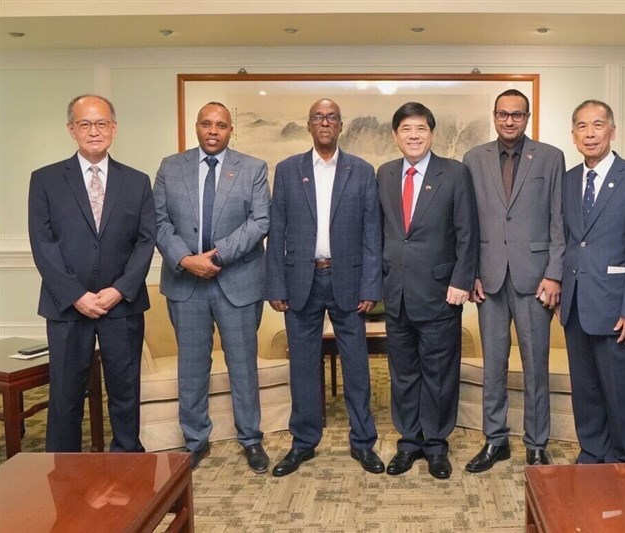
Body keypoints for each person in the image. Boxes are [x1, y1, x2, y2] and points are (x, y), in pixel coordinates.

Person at [28, 94, 155, 452]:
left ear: (113, 129)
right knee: (66, 395)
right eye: (85, 124)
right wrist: (76, 295)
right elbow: (44, 246)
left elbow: (145, 243)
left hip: (122, 306)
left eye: (101, 123)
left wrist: (119, 290)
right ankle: (64, 470)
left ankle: (127, 461)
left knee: (125, 392)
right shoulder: (46, 180)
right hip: (68, 307)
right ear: (71, 130)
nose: (94, 131)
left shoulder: (137, 181)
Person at [265, 99, 384, 476]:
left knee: (356, 366)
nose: (325, 122)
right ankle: (303, 443)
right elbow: (276, 230)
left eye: (332, 117)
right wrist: (276, 285)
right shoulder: (287, 171)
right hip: (301, 279)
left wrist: (370, 285)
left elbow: (372, 233)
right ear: (309, 125)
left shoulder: (362, 171)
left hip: (347, 279)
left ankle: (363, 443)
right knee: (302, 365)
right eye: (319, 117)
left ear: (341, 125)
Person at [153, 102, 271, 472]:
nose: (213, 131)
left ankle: (251, 439)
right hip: (185, 282)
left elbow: (260, 221)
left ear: (230, 130)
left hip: (236, 281)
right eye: (207, 123)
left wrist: (216, 258)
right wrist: (187, 260)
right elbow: (158, 221)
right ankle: (194, 440)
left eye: (221, 125)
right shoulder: (170, 168)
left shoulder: (252, 168)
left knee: (242, 364)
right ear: (197, 126)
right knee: (192, 365)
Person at [462, 89, 564, 472]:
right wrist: (470, 271)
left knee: (536, 366)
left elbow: (558, 219)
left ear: (527, 117)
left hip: (535, 278)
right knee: (493, 365)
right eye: (503, 114)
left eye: (517, 115)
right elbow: (467, 223)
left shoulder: (551, 157)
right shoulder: (474, 159)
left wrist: (554, 272)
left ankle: (537, 444)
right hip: (488, 278)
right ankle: (495, 441)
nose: (509, 121)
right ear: (494, 116)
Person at [378, 102, 478, 479]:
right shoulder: (384, 174)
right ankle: (408, 442)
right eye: (406, 129)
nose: (414, 135)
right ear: (395, 136)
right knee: (402, 373)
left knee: (438, 374)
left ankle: (436, 445)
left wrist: (461, 281)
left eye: (421, 128)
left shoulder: (454, 173)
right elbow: (380, 234)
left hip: (441, 292)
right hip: (397, 292)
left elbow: (468, 232)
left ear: (431, 133)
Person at [559, 100, 625, 464]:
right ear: (573, 135)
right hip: (575, 304)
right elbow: (570, 240)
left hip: (617, 307)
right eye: (582, 126)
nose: (590, 133)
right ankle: (593, 450)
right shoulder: (568, 180)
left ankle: (624, 457)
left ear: (612, 130)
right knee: (585, 389)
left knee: (620, 390)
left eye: (598, 125)